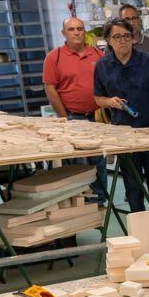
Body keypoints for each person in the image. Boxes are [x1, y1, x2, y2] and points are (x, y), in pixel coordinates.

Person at [93, 19, 149, 212]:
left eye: (126, 36)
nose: (122, 41)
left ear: (133, 39)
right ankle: (140, 229)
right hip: (124, 135)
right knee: (132, 185)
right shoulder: (102, 65)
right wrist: (110, 102)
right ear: (109, 41)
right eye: (117, 37)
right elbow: (98, 98)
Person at [42, 16, 108, 204]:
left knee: (98, 162)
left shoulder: (97, 54)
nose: (77, 32)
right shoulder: (54, 57)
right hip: (72, 117)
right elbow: (50, 88)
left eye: (80, 28)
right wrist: (64, 119)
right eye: (71, 29)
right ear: (63, 33)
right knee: (77, 166)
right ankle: (79, 206)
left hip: (96, 118)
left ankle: (99, 203)